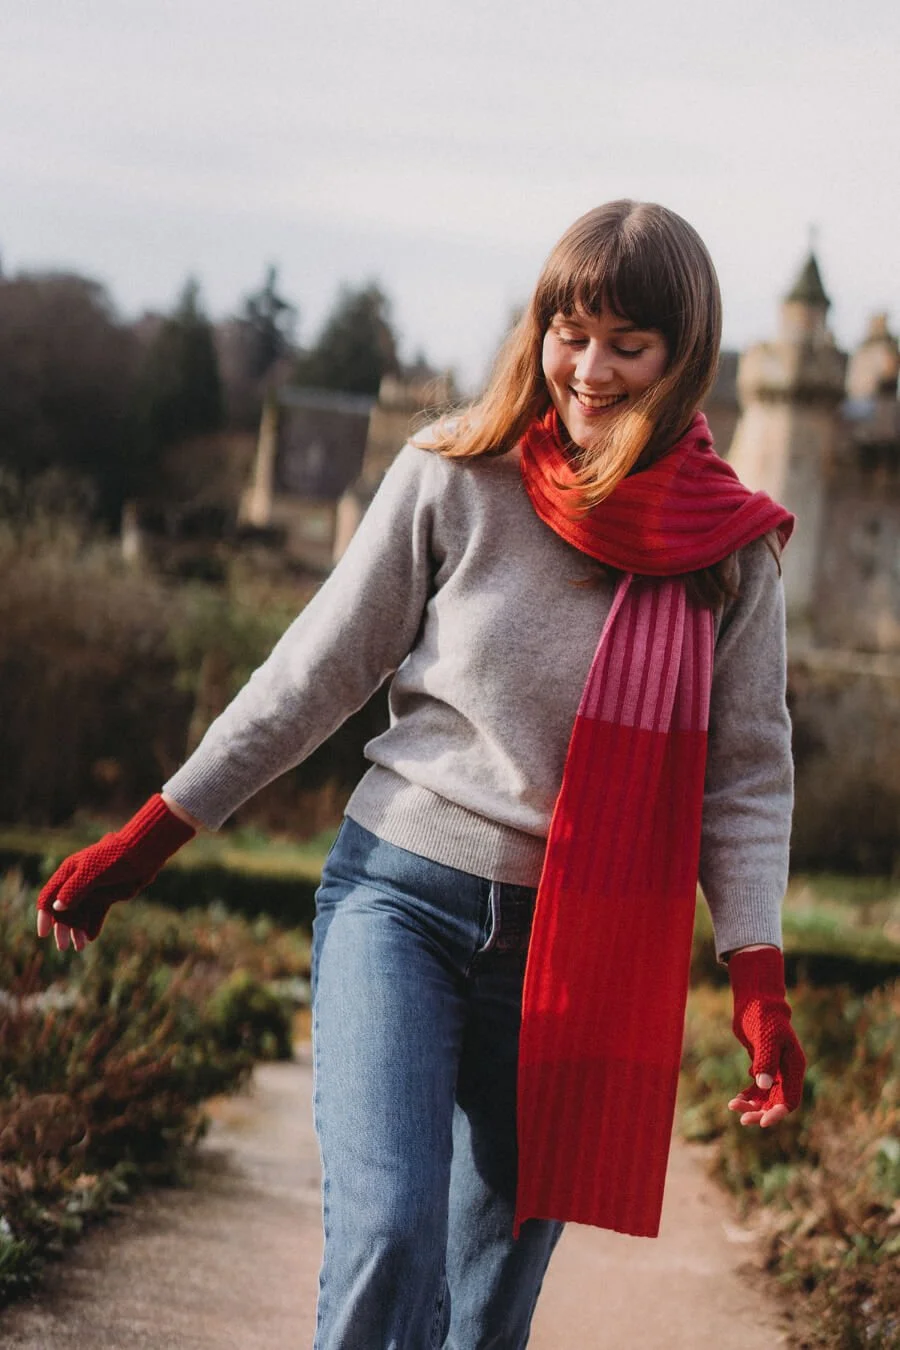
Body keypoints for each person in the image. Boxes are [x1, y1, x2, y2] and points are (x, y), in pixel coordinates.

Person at [36, 199, 807, 1350]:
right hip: (401, 896)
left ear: (684, 357)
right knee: (391, 1237)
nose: (588, 369)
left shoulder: (729, 551)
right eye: (569, 329)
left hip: (577, 952)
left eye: (627, 344)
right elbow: (312, 677)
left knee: (487, 1306)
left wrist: (756, 972)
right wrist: (152, 834)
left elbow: (745, 776)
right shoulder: (457, 473)